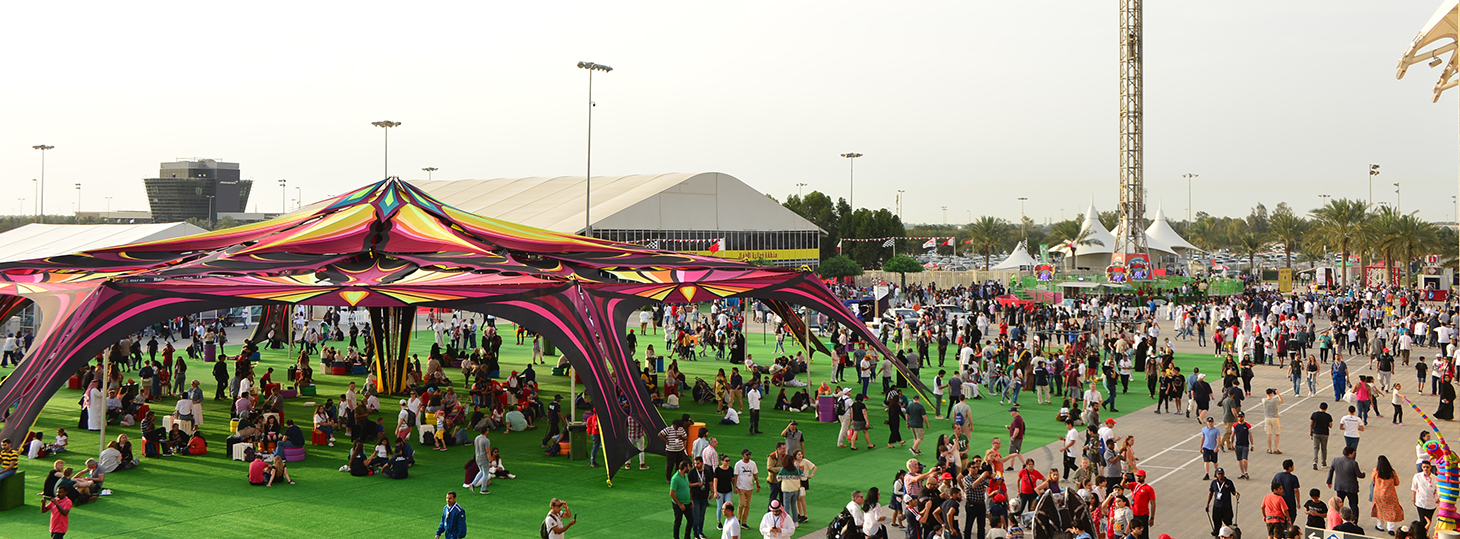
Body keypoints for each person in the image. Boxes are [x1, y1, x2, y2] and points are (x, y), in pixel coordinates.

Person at [1327, 445, 1365, 517]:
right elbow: (1359, 475)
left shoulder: (1335, 460)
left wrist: (1329, 481)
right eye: (1353, 453)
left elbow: (1331, 470)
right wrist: (1364, 474)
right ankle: (1354, 519)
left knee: (1338, 504)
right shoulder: (1353, 463)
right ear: (1350, 454)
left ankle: (1339, 517)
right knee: (1353, 505)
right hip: (1351, 488)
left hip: (1339, 487)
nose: (1354, 455)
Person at [1371, 455, 1405, 533]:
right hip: (1390, 494)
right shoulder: (1392, 472)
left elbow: (1373, 479)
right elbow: (1397, 483)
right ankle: (1391, 528)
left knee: (1380, 509)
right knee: (1391, 510)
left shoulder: (1376, 471)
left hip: (1378, 494)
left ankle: (1380, 526)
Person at [1206, 467, 1238, 537]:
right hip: (1217, 507)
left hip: (1227, 507)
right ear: (1216, 475)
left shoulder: (1229, 482)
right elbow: (1211, 493)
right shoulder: (1214, 483)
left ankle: (1230, 536)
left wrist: (1235, 493)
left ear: (1224, 474)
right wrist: (1208, 503)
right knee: (1217, 524)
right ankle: (1217, 535)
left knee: (1228, 523)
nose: (1220, 475)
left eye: (1222, 474)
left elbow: (1233, 491)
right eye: (1219, 474)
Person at [732, 449, 759, 529]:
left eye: (749, 454)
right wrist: (735, 487)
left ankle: (744, 522)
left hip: (750, 487)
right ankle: (738, 519)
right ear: (743, 455)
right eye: (747, 454)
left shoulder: (753, 463)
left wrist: (758, 485)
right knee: (742, 503)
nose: (749, 456)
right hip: (741, 487)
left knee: (747, 505)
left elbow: (755, 475)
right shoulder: (738, 464)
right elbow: (736, 476)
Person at [1129, 469, 1156, 539]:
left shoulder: (1149, 489)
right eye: (1137, 476)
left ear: (1144, 477)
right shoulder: (1134, 485)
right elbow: (1123, 486)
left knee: (1143, 534)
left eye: (1140, 476)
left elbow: (1153, 504)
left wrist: (1152, 517)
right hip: (1134, 514)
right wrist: (1124, 479)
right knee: (1134, 533)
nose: (1138, 477)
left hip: (1143, 515)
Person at [671, 460, 694, 539]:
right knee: (678, 521)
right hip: (678, 504)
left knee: (691, 520)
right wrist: (680, 504)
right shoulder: (675, 478)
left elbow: (687, 488)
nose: (689, 468)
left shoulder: (686, 475)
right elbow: (672, 493)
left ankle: (687, 537)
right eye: (688, 467)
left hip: (687, 502)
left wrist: (691, 500)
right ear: (684, 468)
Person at [1413, 461, 1438, 533]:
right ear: (1422, 467)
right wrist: (1413, 499)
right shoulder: (1417, 476)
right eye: (1424, 467)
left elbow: (1438, 489)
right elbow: (1414, 488)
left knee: (1428, 521)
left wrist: (1439, 498)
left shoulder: (1435, 478)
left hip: (1431, 504)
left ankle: (1423, 533)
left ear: (1430, 467)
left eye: (1427, 467)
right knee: (1422, 520)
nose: (1426, 469)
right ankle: (1421, 534)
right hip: (1420, 502)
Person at [1310, 402, 1333, 470]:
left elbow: (1311, 424)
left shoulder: (1314, 414)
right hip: (1324, 433)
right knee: (1324, 448)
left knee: (1316, 448)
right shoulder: (1328, 416)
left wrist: (1311, 431)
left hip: (1316, 433)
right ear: (1326, 408)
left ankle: (1315, 462)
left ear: (1320, 407)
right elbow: (1331, 425)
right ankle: (1323, 463)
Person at [1262, 388, 1284, 454]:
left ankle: (1270, 449)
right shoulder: (1275, 400)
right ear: (1272, 393)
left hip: (1267, 418)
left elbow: (1266, 398)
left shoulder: (1264, 400)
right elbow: (1281, 401)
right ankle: (1275, 448)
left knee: (1269, 434)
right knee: (1277, 433)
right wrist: (1278, 394)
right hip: (1275, 418)